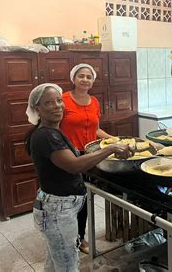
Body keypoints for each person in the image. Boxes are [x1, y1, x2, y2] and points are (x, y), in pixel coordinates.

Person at [25, 83, 131, 271]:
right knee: (67, 263)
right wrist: (110, 149)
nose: (57, 106)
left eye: (59, 100)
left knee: (55, 261)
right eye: (49, 103)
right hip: (57, 210)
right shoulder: (46, 135)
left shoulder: (52, 131)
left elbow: (73, 159)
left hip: (55, 205)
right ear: (37, 109)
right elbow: (74, 165)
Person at [60, 64, 111, 254]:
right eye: (81, 76)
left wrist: (113, 140)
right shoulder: (63, 99)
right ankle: (64, 237)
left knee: (83, 198)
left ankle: (80, 238)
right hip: (68, 156)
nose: (85, 80)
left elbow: (95, 129)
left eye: (89, 77)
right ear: (73, 79)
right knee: (68, 199)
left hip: (90, 156)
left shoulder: (94, 101)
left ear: (93, 80)